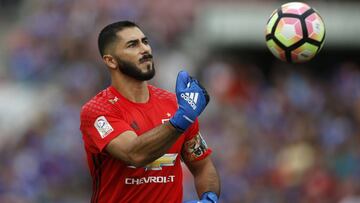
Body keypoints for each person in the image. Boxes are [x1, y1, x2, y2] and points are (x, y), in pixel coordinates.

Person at [80, 21, 220, 203]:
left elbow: (203, 166)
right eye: (132, 45)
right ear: (111, 60)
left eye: (145, 41)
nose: (144, 49)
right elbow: (134, 154)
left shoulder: (175, 105)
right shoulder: (98, 110)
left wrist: (209, 198)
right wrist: (181, 120)